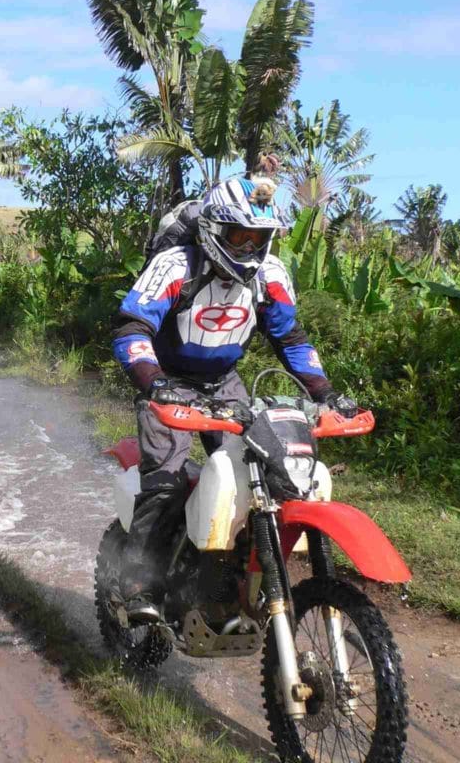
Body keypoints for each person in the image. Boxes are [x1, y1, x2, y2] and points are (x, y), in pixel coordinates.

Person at [110, 178, 357, 608]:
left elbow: (291, 339)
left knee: (264, 473)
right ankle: (137, 585)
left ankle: (234, 572)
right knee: (167, 480)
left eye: (258, 238)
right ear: (213, 231)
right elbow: (133, 327)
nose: (248, 248)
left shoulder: (270, 275)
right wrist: (156, 384)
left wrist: (326, 392)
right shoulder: (175, 266)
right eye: (239, 236)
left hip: (226, 381)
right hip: (169, 382)